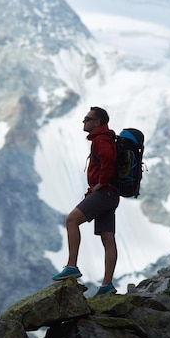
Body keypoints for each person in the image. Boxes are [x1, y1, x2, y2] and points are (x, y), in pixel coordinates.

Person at [52, 106, 120, 296]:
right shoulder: (106, 138)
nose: (84, 122)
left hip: (104, 192)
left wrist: (101, 183)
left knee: (71, 220)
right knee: (108, 238)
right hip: (111, 195)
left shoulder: (100, 139)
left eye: (87, 119)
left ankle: (72, 266)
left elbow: (108, 158)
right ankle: (107, 285)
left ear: (97, 122)